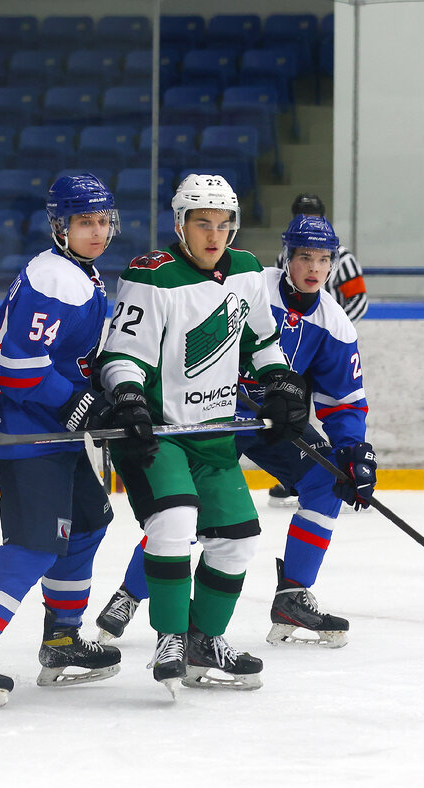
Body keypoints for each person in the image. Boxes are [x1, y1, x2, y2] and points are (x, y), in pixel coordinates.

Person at [95, 213, 376, 650]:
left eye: (324, 260)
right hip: (207, 414)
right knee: (185, 509)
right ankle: (129, 594)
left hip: (267, 422)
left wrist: (354, 449)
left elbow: (343, 400)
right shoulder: (248, 282)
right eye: (305, 257)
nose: (314, 269)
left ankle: (293, 593)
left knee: (328, 477)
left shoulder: (334, 323)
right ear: (286, 257)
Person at [96, 174, 310, 692]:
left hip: (214, 436)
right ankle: (170, 636)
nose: (214, 235)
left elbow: (262, 341)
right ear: (180, 224)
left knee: (238, 541)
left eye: (223, 224)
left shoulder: (247, 271)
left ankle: (203, 642)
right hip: (158, 433)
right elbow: (121, 355)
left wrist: (280, 382)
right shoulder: (152, 275)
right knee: (174, 522)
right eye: (202, 223)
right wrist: (127, 396)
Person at [0, 173, 131, 708]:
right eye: (84, 222)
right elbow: (17, 366)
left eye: (103, 221)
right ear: (60, 226)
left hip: (53, 430)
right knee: (35, 543)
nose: (97, 231)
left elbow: (68, 358)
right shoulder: (54, 279)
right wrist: (77, 402)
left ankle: (62, 639)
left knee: (88, 522)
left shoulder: (78, 273)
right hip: (27, 432)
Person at [269, 193, 367, 508]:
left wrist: (328, 329)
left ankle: (301, 468)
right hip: (286, 348)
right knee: (288, 404)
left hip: (320, 346)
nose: (314, 267)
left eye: (323, 260)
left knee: (308, 405)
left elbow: (359, 299)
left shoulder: (344, 257)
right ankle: (289, 471)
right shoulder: (284, 256)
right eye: (301, 213)